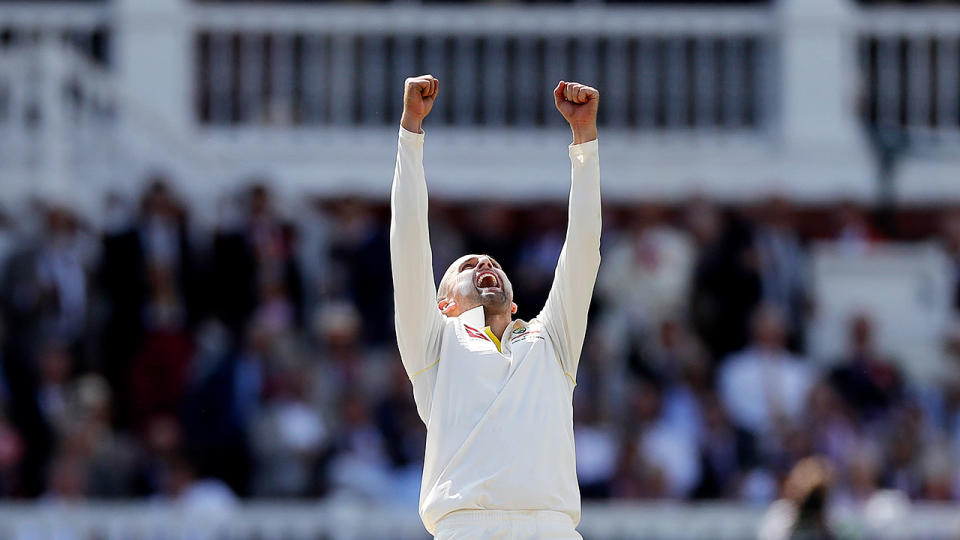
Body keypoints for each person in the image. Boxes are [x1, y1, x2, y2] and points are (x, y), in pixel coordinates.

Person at [390, 74, 601, 539]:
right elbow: (408, 244)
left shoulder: (552, 341)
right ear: (443, 304)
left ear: (514, 295)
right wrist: (411, 132)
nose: (485, 263)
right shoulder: (435, 345)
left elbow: (583, 251)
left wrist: (584, 142)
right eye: (468, 265)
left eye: (493, 264)